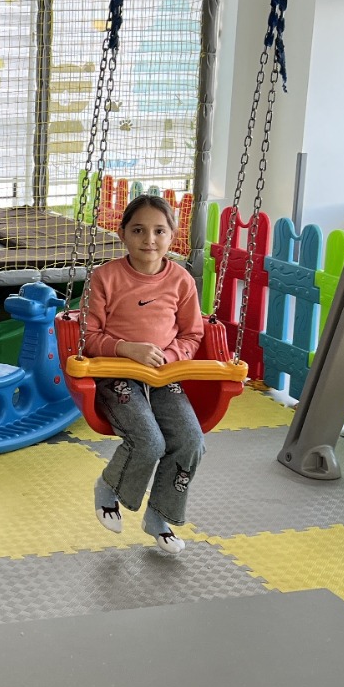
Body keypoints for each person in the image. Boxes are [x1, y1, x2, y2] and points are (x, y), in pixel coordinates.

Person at [83, 194, 205, 556]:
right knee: (149, 442)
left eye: (159, 231)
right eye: (138, 230)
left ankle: (160, 516)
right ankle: (109, 487)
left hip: (164, 375)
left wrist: (169, 357)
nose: (149, 240)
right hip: (117, 374)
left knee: (190, 441)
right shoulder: (105, 278)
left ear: (172, 236)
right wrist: (126, 348)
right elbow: (88, 336)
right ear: (122, 233)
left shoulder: (181, 281)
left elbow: (192, 334)